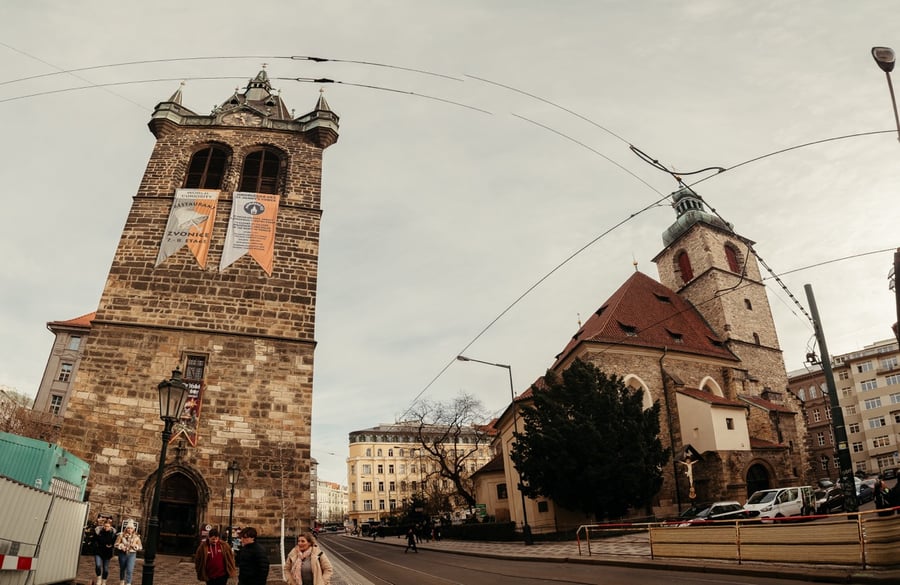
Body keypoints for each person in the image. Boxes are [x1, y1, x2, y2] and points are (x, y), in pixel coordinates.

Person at [113, 520, 142, 585]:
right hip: (122, 554)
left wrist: (135, 546)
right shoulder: (121, 535)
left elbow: (140, 547)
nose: (129, 529)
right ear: (126, 528)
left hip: (132, 554)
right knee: (122, 568)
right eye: (128, 528)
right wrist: (121, 546)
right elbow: (116, 544)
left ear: (133, 529)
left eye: (131, 528)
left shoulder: (136, 537)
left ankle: (128, 583)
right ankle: (122, 581)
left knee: (130, 569)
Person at [93, 518, 116, 585]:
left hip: (107, 553)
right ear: (103, 526)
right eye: (105, 526)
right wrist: (95, 546)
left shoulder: (113, 534)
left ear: (110, 527)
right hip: (99, 551)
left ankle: (104, 581)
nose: (106, 527)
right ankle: (99, 578)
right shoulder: (99, 532)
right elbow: (94, 540)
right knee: (98, 565)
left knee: (105, 569)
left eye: (108, 526)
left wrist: (111, 546)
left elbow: (115, 543)